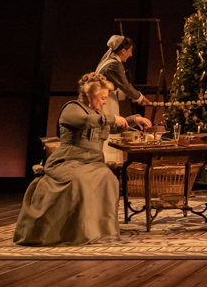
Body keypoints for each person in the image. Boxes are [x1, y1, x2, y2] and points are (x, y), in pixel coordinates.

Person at [14, 72, 150, 246]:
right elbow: (87, 122)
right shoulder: (72, 108)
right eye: (102, 98)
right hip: (68, 161)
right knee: (79, 180)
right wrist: (111, 118)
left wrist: (132, 119)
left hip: (92, 162)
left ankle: (100, 231)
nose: (104, 102)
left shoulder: (98, 115)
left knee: (108, 179)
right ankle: (78, 232)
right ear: (89, 96)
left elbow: (109, 128)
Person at [95, 35, 151, 164]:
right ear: (123, 50)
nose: (131, 54)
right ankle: (110, 162)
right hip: (105, 101)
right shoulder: (114, 64)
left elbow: (117, 87)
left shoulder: (110, 62)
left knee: (112, 126)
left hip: (107, 98)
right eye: (130, 50)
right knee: (110, 128)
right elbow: (125, 86)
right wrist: (140, 98)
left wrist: (129, 96)